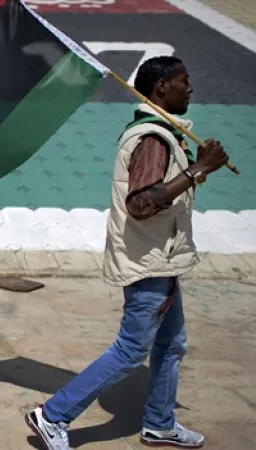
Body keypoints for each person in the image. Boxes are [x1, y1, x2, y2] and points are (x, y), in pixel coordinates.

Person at [25, 56, 230, 450]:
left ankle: (159, 424)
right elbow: (141, 203)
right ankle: (52, 415)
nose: (191, 88)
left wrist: (199, 166)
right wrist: (198, 169)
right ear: (162, 89)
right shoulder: (152, 138)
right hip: (148, 262)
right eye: (185, 81)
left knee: (171, 345)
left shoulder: (164, 134)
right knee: (131, 350)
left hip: (161, 258)